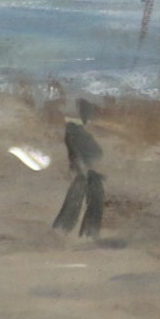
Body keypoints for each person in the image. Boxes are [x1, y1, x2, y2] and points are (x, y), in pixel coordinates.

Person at [51, 98, 106, 237]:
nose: (90, 117)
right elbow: (76, 153)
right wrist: (82, 168)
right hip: (85, 172)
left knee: (86, 199)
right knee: (84, 199)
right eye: (88, 113)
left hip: (87, 172)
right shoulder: (75, 131)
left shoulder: (79, 130)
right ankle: (76, 230)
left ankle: (79, 230)